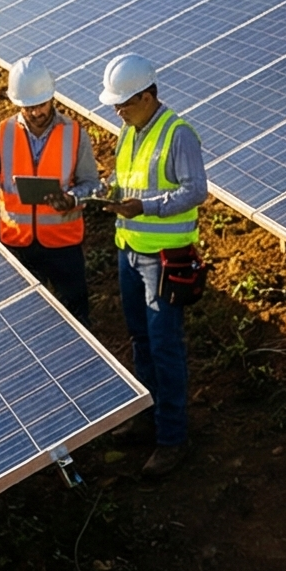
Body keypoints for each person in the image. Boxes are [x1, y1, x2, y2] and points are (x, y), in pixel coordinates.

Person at [100, 51, 206, 477]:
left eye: (123, 103)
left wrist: (145, 206)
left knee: (165, 347)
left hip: (163, 259)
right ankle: (147, 415)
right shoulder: (128, 132)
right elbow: (126, 180)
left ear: (147, 96)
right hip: (129, 251)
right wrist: (106, 191)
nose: (118, 110)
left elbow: (195, 190)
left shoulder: (177, 133)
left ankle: (172, 437)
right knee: (140, 339)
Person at [0, 56, 95, 321]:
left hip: (63, 245)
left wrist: (71, 199)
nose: (37, 112)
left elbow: (91, 184)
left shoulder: (75, 133)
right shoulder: (2, 133)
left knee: (75, 315)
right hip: (18, 243)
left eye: (41, 104)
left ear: (52, 98)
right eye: (29, 107)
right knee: (26, 319)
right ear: (17, 104)